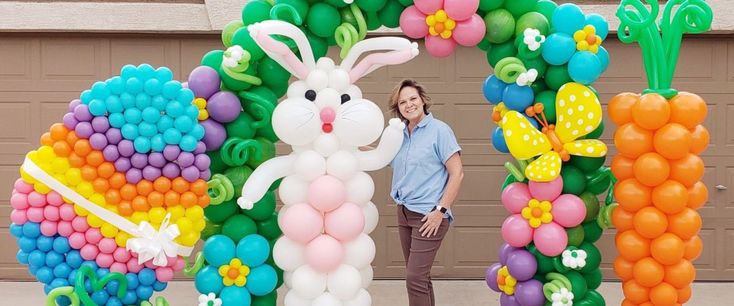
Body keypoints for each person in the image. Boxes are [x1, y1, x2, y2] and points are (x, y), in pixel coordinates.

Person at [388, 79, 464, 306]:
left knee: (414, 278)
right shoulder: (400, 135)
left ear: (422, 100)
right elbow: (381, 156)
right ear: (397, 107)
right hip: (404, 212)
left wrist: (440, 211)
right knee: (421, 278)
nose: (409, 105)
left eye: (413, 99)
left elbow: (457, 173)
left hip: (428, 215)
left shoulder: (439, 130)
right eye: (403, 102)